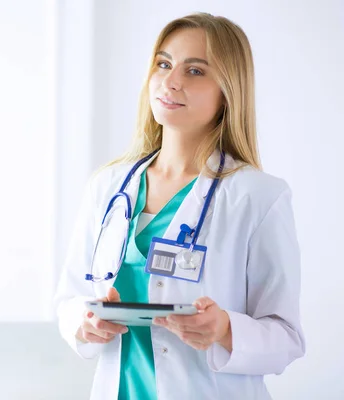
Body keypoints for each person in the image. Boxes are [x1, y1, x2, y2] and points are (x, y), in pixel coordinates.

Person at [53, 12, 305, 400]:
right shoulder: (108, 186)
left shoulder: (258, 197)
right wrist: (85, 322)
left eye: (195, 71)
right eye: (164, 64)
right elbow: (70, 299)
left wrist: (224, 329)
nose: (171, 82)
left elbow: (286, 337)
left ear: (228, 92)